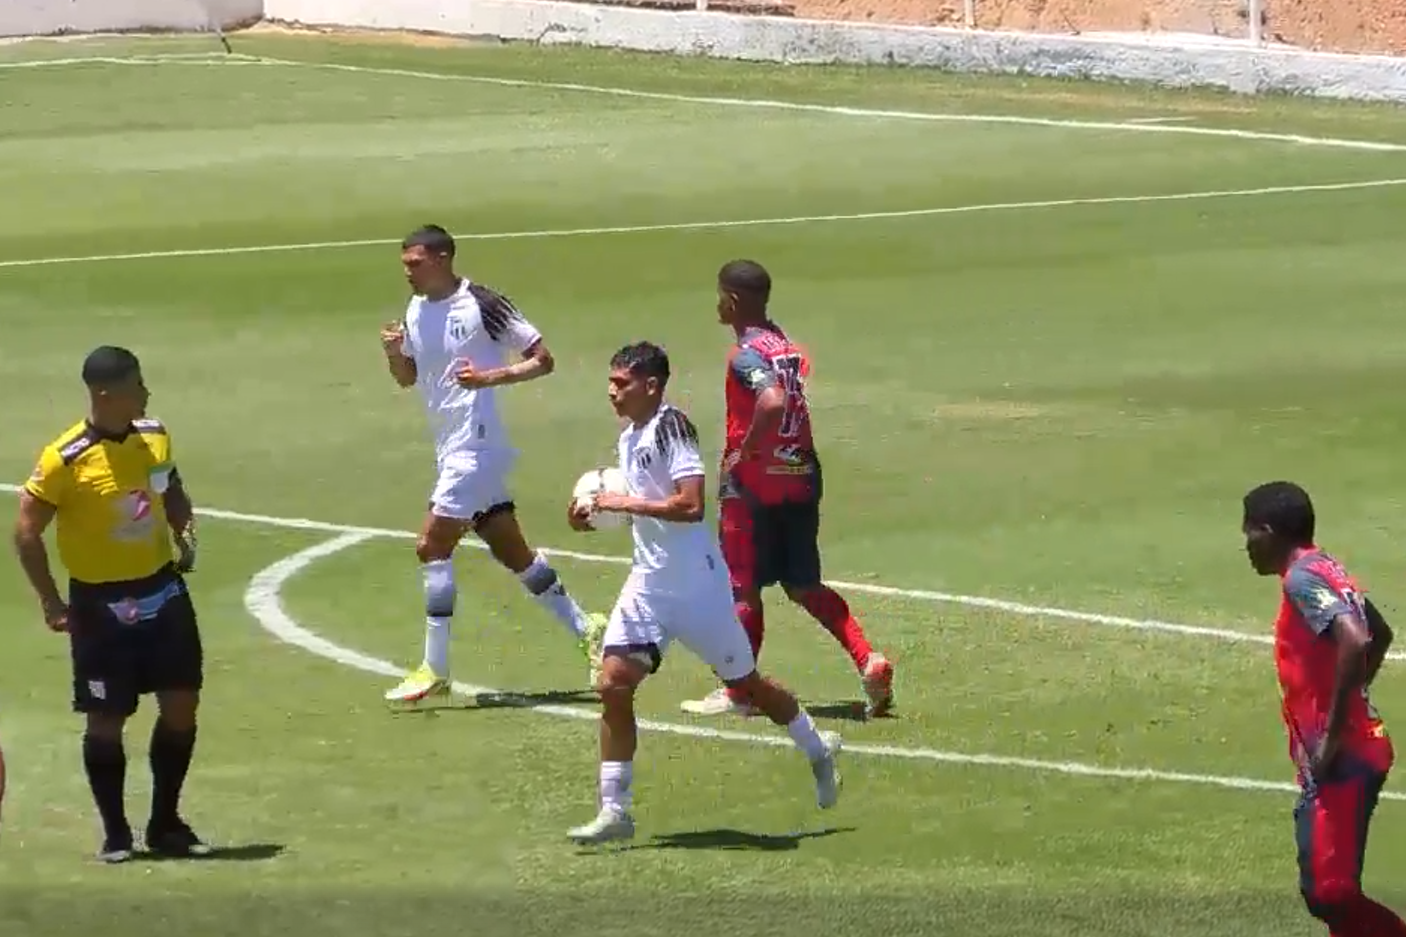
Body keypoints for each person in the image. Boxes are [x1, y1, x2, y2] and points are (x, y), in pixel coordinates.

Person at [565, 341, 841, 845]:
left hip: (697, 587)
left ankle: (818, 749)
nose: (611, 391)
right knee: (613, 685)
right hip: (648, 586)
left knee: (748, 686)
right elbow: (638, 506)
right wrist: (590, 515)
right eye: (610, 381)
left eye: (621, 383)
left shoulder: (673, 427)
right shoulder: (629, 437)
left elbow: (690, 506)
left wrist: (621, 502)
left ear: (652, 386)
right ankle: (615, 809)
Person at [380, 224, 606, 703]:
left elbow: (542, 359)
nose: (408, 272)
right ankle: (588, 629)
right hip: (450, 447)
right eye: (405, 265)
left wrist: (489, 377)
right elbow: (408, 378)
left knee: (431, 546)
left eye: (415, 263)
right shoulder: (416, 309)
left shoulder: (483, 304)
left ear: (442, 258)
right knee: (512, 552)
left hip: (476, 446)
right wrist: (393, 353)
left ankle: (435, 667)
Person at [11, 346, 208, 863]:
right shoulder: (65, 459)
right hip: (99, 605)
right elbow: (27, 532)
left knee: (182, 704)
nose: (146, 393)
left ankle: (165, 822)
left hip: (162, 591)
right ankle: (116, 832)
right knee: (105, 717)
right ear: (105, 394)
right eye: (136, 385)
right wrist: (52, 602)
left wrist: (184, 530)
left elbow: (170, 487)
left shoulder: (154, 436)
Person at [682, 259, 894, 720]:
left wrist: (746, 453)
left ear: (732, 301)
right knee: (803, 585)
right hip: (800, 476)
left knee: (741, 587)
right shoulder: (786, 347)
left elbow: (772, 401)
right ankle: (867, 658)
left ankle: (740, 692)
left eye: (719, 296)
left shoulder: (745, 355)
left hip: (754, 486)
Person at [1241, 481, 1406, 937]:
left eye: (1249, 532)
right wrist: (1351, 699)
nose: (1246, 545)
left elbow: (1356, 638)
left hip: (1345, 757)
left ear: (1269, 532)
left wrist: (1332, 737)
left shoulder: (1302, 579)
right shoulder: (1324, 567)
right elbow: (1380, 632)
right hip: (1355, 749)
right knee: (1331, 891)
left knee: (1329, 893)